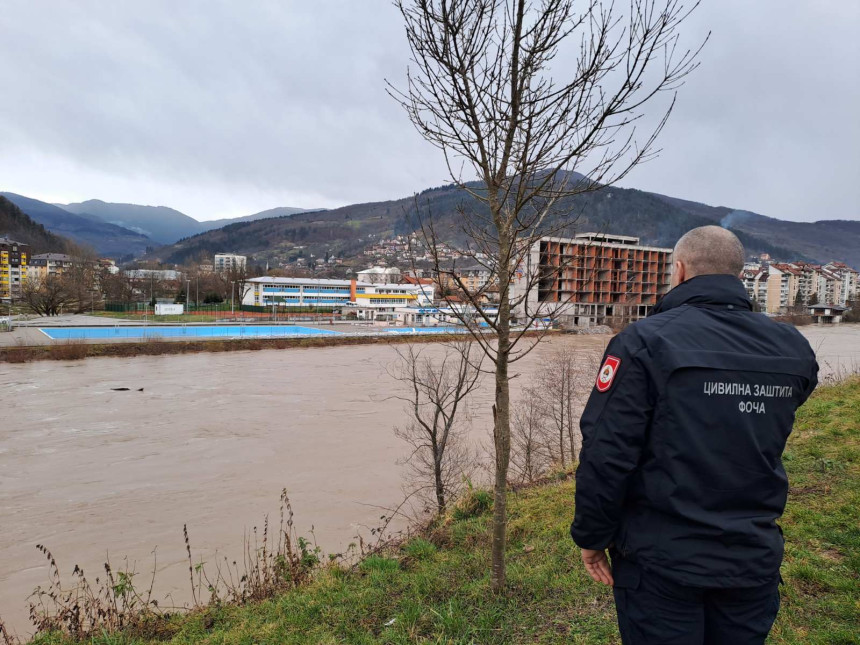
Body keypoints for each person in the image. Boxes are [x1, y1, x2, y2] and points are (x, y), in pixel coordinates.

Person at [570, 226, 818, 644]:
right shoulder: (792, 347)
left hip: (661, 560)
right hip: (751, 555)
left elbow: (606, 453)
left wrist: (592, 537)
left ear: (679, 271)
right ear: (739, 276)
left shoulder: (642, 342)